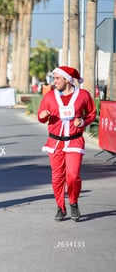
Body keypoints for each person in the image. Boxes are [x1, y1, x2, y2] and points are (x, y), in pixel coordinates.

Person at [38, 66, 96, 222]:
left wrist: (83, 121)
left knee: (73, 176)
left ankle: (73, 202)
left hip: (74, 141)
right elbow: (41, 115)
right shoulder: (50, 97)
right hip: (55, 142)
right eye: (54, 78)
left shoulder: (83, 95)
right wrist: (42, 116)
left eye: (57, 78)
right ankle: (60, 207)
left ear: (67, 79)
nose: (54, 81)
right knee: (57, 177)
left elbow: (91, 113)